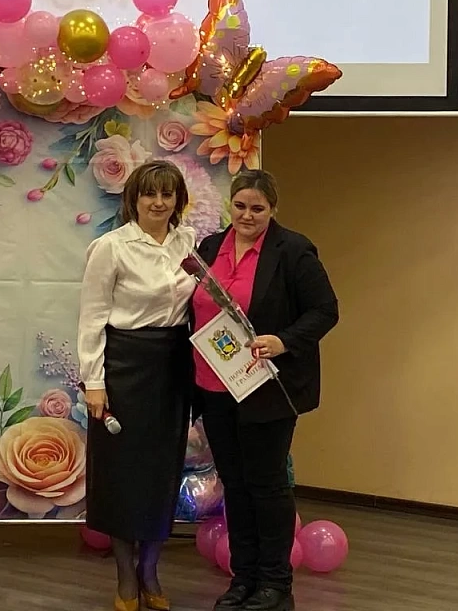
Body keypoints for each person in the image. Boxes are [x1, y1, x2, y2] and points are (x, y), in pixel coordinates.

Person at [191, 170, 339, 611]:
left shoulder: (292, 250)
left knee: (267, 485)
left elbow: (326, 310)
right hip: (215, 385)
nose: (247, 215)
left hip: (267, 389)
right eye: (240, 206)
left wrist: (283, 341)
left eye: (257, 208)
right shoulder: (209, 248)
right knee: (235, 486)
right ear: (230, 205)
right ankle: (244, 579)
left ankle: (276, 584)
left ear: (273, 209)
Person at [78, 160, 197, 611]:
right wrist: (94, 381)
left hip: (173, 369)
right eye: (150, 193)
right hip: (124, 368)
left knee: (161, 473)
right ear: (134, 198)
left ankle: (150, 568)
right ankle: (126, 575)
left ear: (178, 200)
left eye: (167, 194)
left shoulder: (190, 244)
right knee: (122, 472)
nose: (159, 203)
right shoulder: (111, 247)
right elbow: (91, 318)